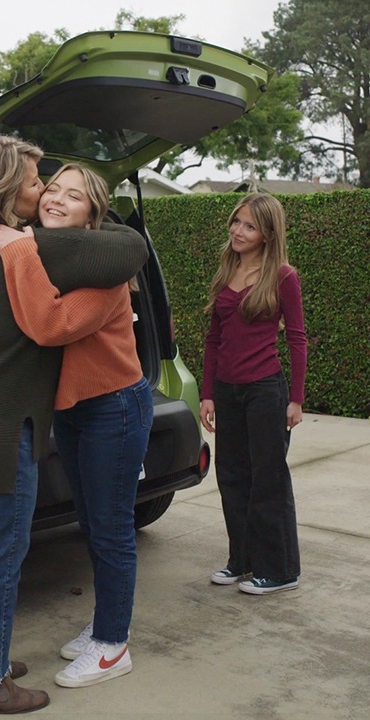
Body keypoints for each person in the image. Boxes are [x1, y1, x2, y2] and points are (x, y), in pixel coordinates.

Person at [0, 136, 148, 714]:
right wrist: (35, 241)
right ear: (8, 188)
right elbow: (133, 247)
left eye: (64, 189)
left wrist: (32, 238)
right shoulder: (37, 248)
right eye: (39, 180)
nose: (44, 192)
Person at [0, 163, 151, 689]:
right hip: (77, 409)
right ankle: (104, 624)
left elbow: (50, 325)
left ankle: (111, 645)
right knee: (93, 526)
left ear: (92, 216)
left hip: (114, 407)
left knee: (112, 529)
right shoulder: (51, 256)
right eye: (52, 188)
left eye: (73, 197)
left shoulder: (103, 267)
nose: (55, 199)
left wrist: (18, 250)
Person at [199, 193, 306, 595]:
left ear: (267, 234)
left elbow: (296, 338)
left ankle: (280, 570)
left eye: (249, 226)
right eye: (236, 222)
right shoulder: (227, 268)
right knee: (232, 477)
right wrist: (207, 394)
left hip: (265, 390)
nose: (238, 231)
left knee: (269, 480)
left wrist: (295, 399)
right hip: (227, 392)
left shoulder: (282, 276)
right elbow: (214, 340)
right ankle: (241, 560)